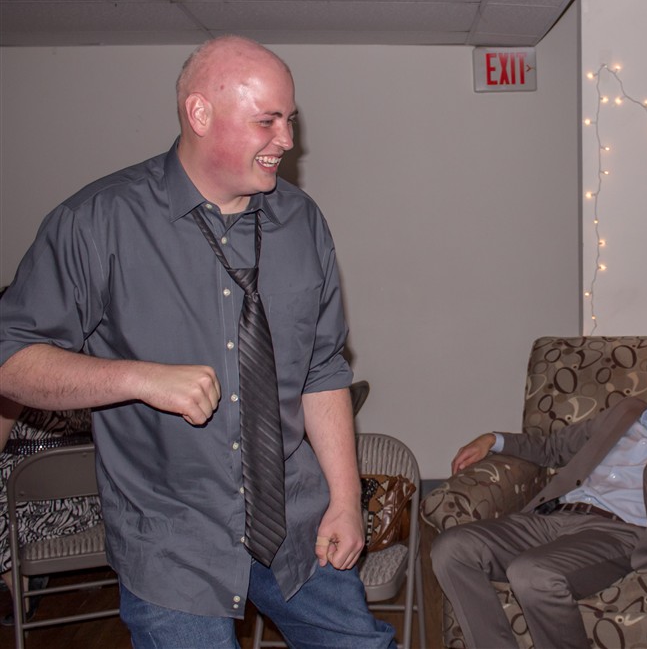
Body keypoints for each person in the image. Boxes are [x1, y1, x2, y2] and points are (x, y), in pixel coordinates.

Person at [0, 36, 394, 648]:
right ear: (200, 113)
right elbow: (10, 360)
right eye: (267, 121)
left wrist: (345, 500)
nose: (288, 139)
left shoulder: (303, 221)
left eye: (290, 120)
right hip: (172, 539)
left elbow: (322, 369)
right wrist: (137, 377)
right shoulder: (96, 222)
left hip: (296, 523)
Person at [431, 336, 647, 649]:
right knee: (451, 548)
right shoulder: (624, 411)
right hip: (554, 517)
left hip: (618, 533)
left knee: (533, 574)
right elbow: (553, 448)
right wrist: (492, 439)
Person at [0, 398, 101, 625]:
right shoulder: (90, 376)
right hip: (88, 499)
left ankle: (17, 583)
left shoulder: (16, 383)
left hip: (31, 503)